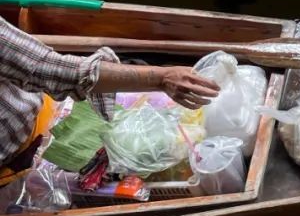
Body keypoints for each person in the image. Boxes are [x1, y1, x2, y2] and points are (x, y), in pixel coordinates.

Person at [0, 16, 220, 188]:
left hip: (42, 122)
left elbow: (46, 67)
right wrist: (162, 79)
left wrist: (162, 78)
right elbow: (56, 70)